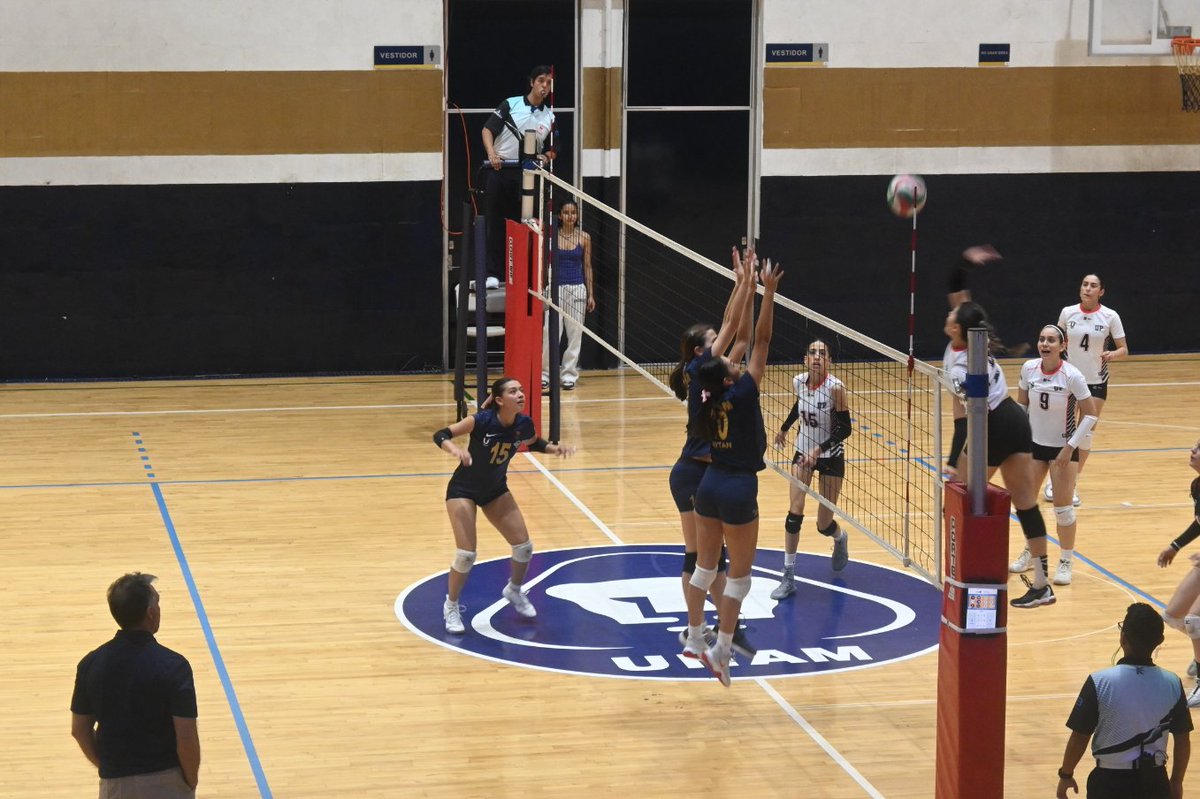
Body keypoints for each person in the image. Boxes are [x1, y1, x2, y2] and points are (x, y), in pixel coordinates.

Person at [684, 258, 784, 686]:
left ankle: (693, 637)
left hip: (709, 485)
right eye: (730, 364)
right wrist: (769, 292)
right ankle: (722, 649)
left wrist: (747, 286)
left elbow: (739, 337)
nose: (734, 362)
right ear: (727, 379)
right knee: (739, 578)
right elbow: (759, 340)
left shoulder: (700, 388)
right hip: (739, 487)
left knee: (705, 568)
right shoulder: (743, 390)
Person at [943, 245, 1053, 609]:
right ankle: (1042, 583)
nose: (949, 312)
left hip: (990, 424)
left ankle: (967, 573)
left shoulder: (959, 365)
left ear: (956, 327)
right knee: (1025, 505)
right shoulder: (975, 335)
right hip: (1015, 420)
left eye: (952, 314)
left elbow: (967, 414)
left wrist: (952, 458)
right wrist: (965, 261)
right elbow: (956, 287)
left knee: (961, 499)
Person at [668, 247, 756, 659]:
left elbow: (740, 333)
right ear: (700, 351)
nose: (719, 345)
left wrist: (746, 285)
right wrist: (742, 284)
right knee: (698, 556)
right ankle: (695, 630)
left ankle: (724, 628)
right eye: (710, 343)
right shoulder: (697, 371)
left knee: (713, 558)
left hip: (711, 474)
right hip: (690, 472)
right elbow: (729, 325)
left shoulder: (717, 373)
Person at [434, 376, 574, 633]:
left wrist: (553, 449)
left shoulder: (523, 423)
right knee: (466, 556)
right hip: (463, 490)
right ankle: (451, 606)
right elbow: (440, 434)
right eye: (513, 391)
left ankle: (514, 590)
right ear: (499, 400)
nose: (520, 394)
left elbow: (534, 443)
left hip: (495, 490)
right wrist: (455, 450)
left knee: (524, 548)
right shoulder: (481, 421)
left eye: (521, 390)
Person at [71, 573, 200, 798]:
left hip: (115, 785)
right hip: (167, 783)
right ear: (150, 613)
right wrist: (190, 781)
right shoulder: (174, 666)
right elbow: (186, 738)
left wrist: (109, 768)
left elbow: (79, 730)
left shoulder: (90, 663)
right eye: (157, 603)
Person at [1056, 602, 1191, 799]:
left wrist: (1066, 774)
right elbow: (1182, 739)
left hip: (1109, 783)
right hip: (1155, 782)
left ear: (1123, 638)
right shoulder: (1172, 683)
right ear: (1160, 640)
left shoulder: (1100, 681)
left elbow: (1080, 736)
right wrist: (1176, 781)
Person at [1010, 324, 1099, 586]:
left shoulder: (1072, 376)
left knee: (1063, 511)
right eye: (1041, 339)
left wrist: (1070, 446)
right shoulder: (1029, 369)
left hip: (1063, 449)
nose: (1045, 344)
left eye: (1051, 340)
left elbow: (1090, 413)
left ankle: (1066, 560)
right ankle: (1031, 551)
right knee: (1027, 503)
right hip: (1035, 446)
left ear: (1063, 346)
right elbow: (1021, 406)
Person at [770, 338, 851, 599]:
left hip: (830, 456)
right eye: (812, 352)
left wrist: (819, 450)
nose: (817, 356)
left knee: (823, 524)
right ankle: (788, 574)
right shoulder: (798, 381)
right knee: (795, 511)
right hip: (802, 452)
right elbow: (799, 404)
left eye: (823, 353)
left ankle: (839, 537)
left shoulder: (836, 388)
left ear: (829, 361)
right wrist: (784, 428)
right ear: (806, 359)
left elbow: (845, 429)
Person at [1046, 273, 1129, 506]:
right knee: (1064, 432)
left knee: (1085, 434)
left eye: (1093, 286)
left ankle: (1071, 483)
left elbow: (1124, 349)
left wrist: (1113, 354)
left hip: (1096, 382)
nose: (1088, 289)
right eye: (1085, 284)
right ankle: (1055, 481)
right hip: (1069, 380)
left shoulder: (1110, 316)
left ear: (1101, 291)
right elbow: (1056, 341)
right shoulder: (1067, 312)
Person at [481, 65, 555, 288]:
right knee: (495, 224)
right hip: (500, 171)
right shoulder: (510, 104)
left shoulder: (549, 116)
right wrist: (492, 154)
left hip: (528, 175)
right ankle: (493, 274)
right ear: (532, 82)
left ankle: (525, 274)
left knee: (526, 225)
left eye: (549, 82)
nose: (545, 86)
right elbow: (487, 130)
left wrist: (545, 157)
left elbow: (554, 149)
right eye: (541, 80)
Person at [1156, 438, 1200, 706]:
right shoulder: (1197, 486)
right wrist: (1175, 545)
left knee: (1194, 621)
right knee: (1173, 615)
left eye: (1198, 449)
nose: (1192, 452)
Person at [541, 200, 594, 391]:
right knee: (550, 332)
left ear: (577, 216)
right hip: (555, 289)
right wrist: (543, 290)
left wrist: (590, 294)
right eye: (566, 212)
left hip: (577, 289)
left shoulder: (584, 237)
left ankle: (569, 375)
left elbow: (587, 267)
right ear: (560, 215)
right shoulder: (550, 237)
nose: (570, 216)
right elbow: (543, 265)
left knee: (575, 334)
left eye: (573, 213)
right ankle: (545, 374)